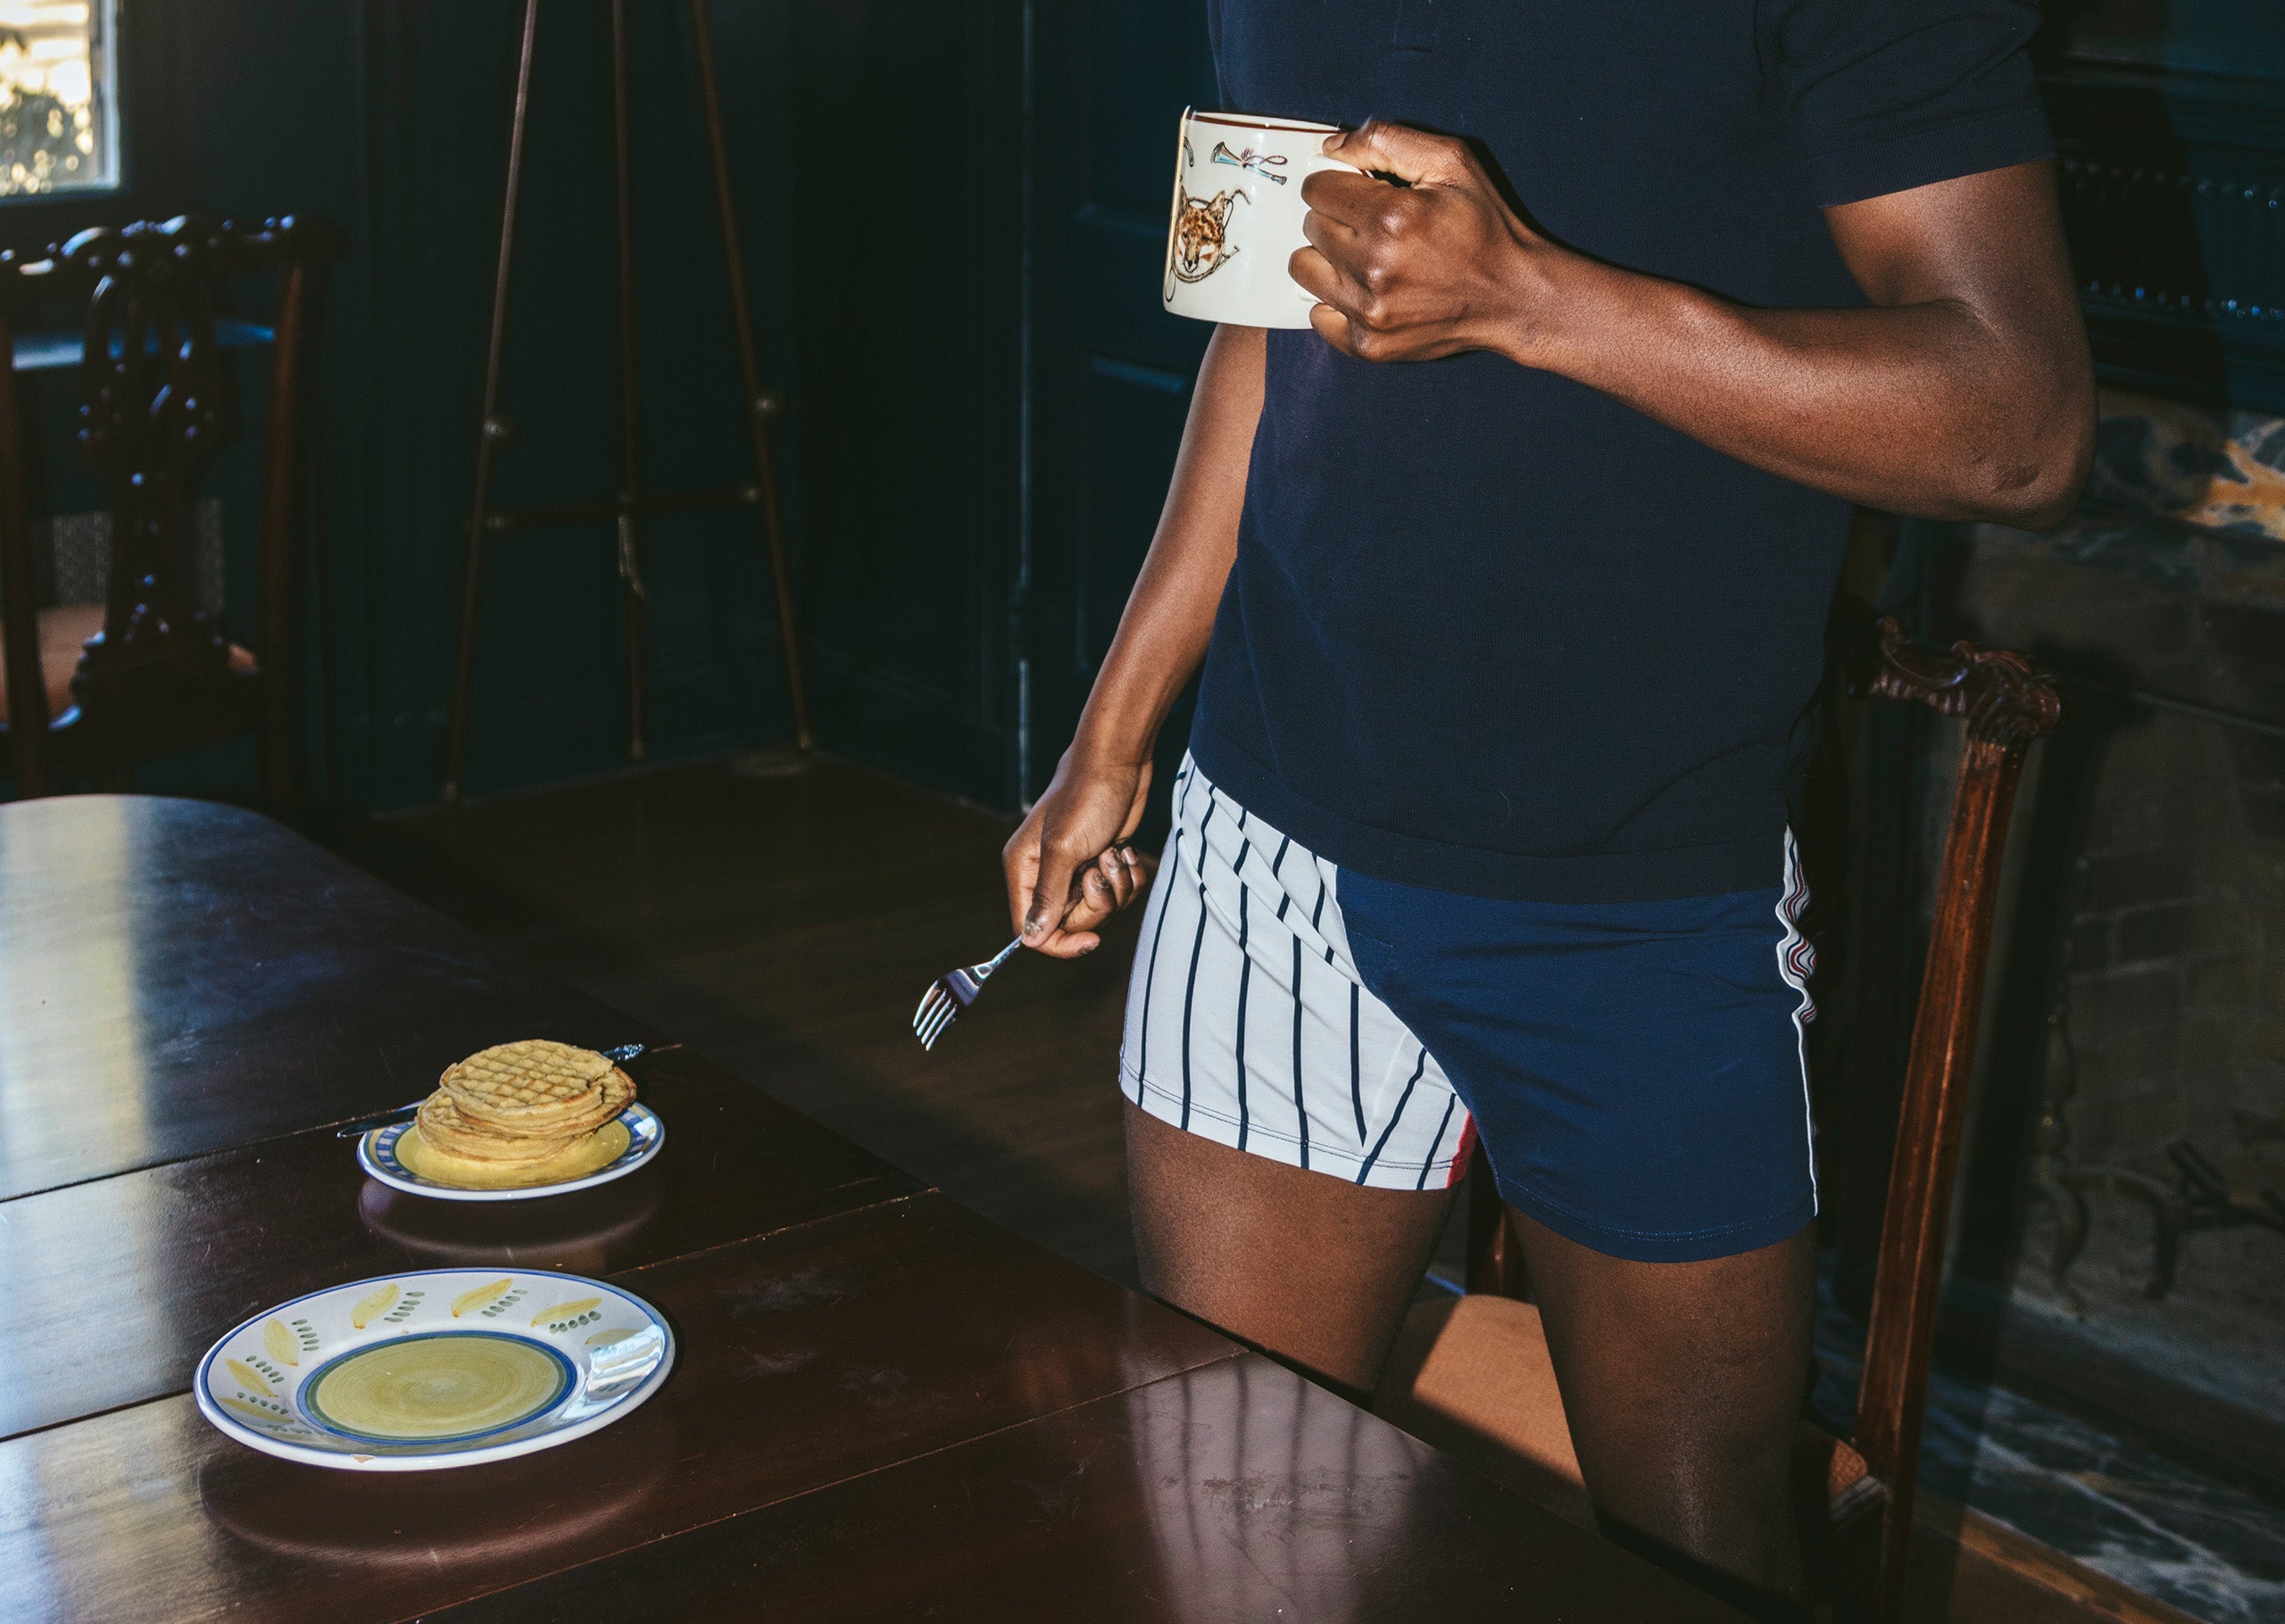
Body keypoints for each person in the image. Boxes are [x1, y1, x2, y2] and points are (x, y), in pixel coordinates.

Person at [1002, 2, 2093, 1615]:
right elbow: (1273, 313)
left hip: (1640, 891)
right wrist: (1114, 727)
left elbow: (2025, 427)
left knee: (1696, 1563)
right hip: (1269, 837)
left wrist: (1529, 298)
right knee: (1231, 1537)